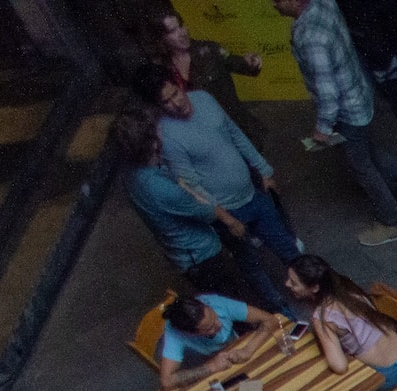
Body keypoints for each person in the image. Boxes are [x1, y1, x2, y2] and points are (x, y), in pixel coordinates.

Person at [274, 0, 397, 247]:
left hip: (346, 111)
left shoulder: (311, 39)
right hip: (358, 93)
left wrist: (322, 130)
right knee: (367, 148)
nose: (274, 5)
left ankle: (392, 222)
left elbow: (327, 95)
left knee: (362, 167)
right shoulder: (323, 3)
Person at [112, 110, 291, 314]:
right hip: (200, 256)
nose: (161, 127)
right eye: (155, 129)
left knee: (226, 299)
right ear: (152, 143)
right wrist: (231, 221)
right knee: (229, 306)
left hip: (184, 253)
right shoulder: (159, 188)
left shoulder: (132, 174)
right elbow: (204, 210)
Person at [151, 72, 302, 282]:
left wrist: (264, 170)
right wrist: (226, 218)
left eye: (175, 93)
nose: (176, 103)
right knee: (251, 266)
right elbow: (190, 185)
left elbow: (235, 134)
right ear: (158, 106)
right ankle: (277, 310)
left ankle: (314, 289)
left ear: (179, 85)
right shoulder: (168, 136)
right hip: (227, 209)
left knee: (286, 246)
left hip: (252, 193)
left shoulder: (203, 99)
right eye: (166, 102)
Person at [142, 5, 263, 142]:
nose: (182, 33)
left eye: (181, 26)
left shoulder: (209, 50)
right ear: (161, 39)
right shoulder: (160, 68)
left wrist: (252, 63)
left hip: (232, 130)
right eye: (172, 31)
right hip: (198, 136)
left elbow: (238, 63)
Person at [285, 255, 397, 390]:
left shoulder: (323, 317)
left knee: (327, 383)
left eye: (293, 282)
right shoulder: (346, 288)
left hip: (386, 376)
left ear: (314, 287)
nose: (287, 284)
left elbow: (340, 366)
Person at [151, 290, 279, 389]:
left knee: (271, 380)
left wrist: (248, 349)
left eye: (215, 317)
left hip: (237, 351)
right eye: (209, 328)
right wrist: (212, 366)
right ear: (191, 333)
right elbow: (167, 381)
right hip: (211, 370)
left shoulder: (215, 303)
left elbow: (270, 319)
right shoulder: (175, 332)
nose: (219, 324)